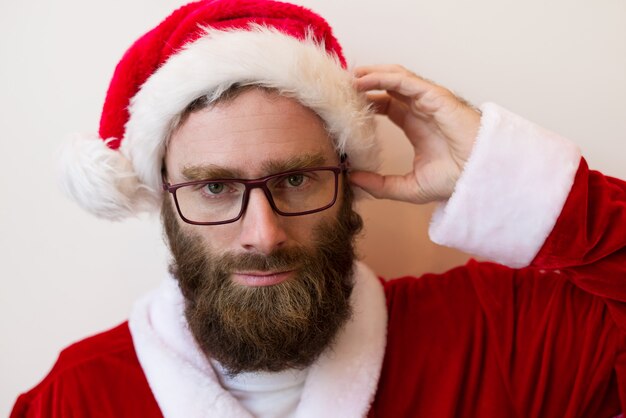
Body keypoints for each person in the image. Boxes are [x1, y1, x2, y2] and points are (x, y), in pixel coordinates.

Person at [11, 0, 626, 417]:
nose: (264, 233)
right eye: (216, 188)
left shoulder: (501, 338)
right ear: (163, 196)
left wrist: (505, 177)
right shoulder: (78, 397)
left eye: (298, 178)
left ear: (348, 179)